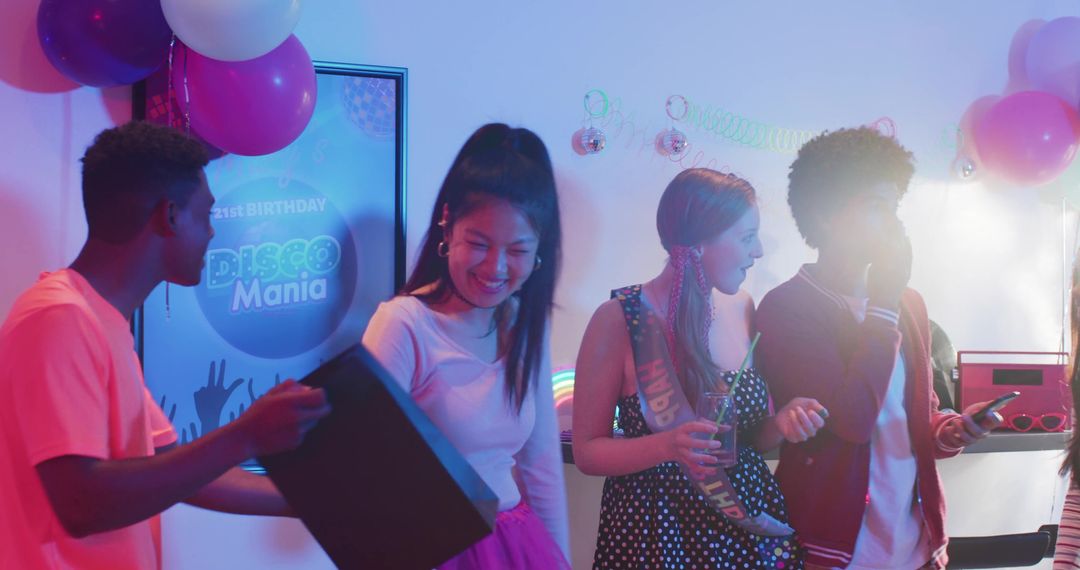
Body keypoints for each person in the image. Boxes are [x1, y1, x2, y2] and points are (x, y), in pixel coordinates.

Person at [0, 121, 331, 570]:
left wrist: (320, 503)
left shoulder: (102, 321)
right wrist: (246, 434)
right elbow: (81, 502)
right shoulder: (59, 317)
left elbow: (175, 469)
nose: (213, 233)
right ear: (170, 215)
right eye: (206, 214)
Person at [755, 127, 1001, 569]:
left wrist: (952, 430)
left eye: (894, 207)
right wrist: (884, 304)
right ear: (826, 215)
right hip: (830, 548)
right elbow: (850, 420)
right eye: (875, 206)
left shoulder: (909, 302)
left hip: (916, 544)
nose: (892, 224)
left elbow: (915, 414)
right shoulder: (788, 306)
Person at [573, 167, 826, 569]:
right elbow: (587, 452)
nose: (757, 251)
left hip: (742, 529)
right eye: (746, 237)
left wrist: (780, 423)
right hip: (657, 533)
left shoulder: (743, 307)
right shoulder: (619, 318)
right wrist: (667, 446)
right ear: (699, 244)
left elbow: (745, 443)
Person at [361, 123, 569, 569]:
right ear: (447, 224)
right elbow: (366, 474)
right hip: (430, 548)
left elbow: (542, 467)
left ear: (539, 252)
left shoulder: (525, 325)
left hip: (514, 544)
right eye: (478, 243)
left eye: (517, 250)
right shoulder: (405, 325)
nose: (495, 267)